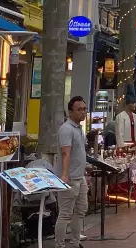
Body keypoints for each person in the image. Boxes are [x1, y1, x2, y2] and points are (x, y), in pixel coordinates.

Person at [54, 96, 88, 248]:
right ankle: (59, 245)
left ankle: (75, 242)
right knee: (65, 213)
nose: (83, 112)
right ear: (71, 112)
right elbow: (65, 153)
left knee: (81, 210)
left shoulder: (79, 129)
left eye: (84, 109)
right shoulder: (66, 129)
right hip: (70, 178)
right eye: (79, 109)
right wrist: (65, 175)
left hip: (80, 177)